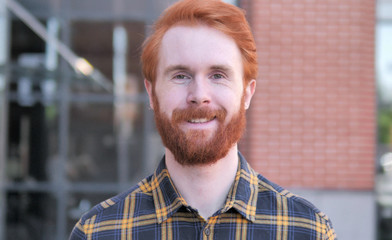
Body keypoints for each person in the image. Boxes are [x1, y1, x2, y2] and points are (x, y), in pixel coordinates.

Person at [70, 0, 337, 239]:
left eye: (218, 75)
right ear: (152, 94)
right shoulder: (99, 232)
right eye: (180, 75)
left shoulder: (307, 230)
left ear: (247, 93)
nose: (199, 96)